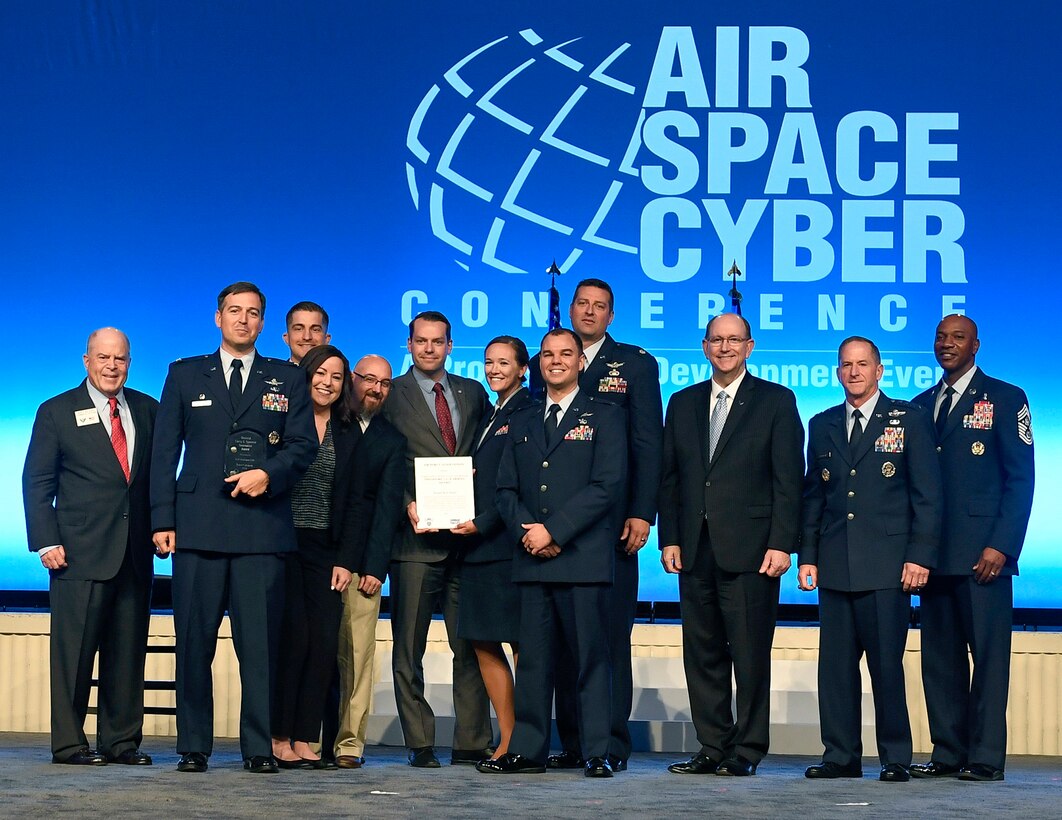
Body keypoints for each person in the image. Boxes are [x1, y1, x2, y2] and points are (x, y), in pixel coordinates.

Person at [151, 281, 317, 774]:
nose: (243, 320)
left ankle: (258, 748)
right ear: (218, 317)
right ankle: (193, 746)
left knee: (260, 647)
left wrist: (269, 474)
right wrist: (162, 519)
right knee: (193, 643)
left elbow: (303, 446)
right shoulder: (184, 374)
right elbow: (164, 452)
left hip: (261, 530)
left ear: (263, 323)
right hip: (198, 527)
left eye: (253, 313)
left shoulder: (286, 377)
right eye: (234, 311)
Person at [658, 313, 804, 777]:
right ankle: (712, 745)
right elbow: (670, 477)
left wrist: (782, 543)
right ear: (704, 347)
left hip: (753, 551)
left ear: (749, 347)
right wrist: (669, 537)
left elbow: (789, 481)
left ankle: (748, 748)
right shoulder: (682, 402)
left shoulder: (776, 400)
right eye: (716, 340)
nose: (725, 347)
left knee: (750, 653)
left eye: (734, 340)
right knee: (702, 654)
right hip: (694, 549)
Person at [478, 328, 627, 778]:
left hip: (582, 558)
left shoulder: (605, 415)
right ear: (539, 363)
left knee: (590, 660)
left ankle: (597, 751)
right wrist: (530, 533)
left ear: (581, 361)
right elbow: (505, 489)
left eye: (565, 353)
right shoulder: (522, 418)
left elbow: (607, 485)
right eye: (547, 354)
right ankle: (528, 750)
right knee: (535, 662)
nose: (555, 361)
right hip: (532, 558)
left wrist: (555, 531)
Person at [529, 278, 662, 772]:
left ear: (611, 314)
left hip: (611, 525)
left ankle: (609, 744)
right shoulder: (546, 361)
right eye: (582, 304)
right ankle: (574, 742)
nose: (589, 311)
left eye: (599, 306)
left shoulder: (635, 364)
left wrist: (641, 512)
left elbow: (648, 442)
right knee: (563, 641)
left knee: (605, 639)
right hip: (552, 528)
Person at [799, 336, 942, 783]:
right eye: (846, 365)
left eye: (863, 364)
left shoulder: (909, 419)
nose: (854, 372)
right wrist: (808, 557)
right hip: (835, 565)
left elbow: (928, 495)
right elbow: (813, 497)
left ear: (879, 371)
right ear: (837, 372)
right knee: (835, 671)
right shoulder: (822, 423)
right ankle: (840, 756)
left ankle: (895, 757)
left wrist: (920, 556)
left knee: (886, 668)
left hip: (887, 567)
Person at [22, 328, 158, 766]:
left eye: (120, 358)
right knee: (74, 656)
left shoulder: (149, 409)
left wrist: (163, 526)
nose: (111, 366)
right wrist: (45, 540)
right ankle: (69, 744)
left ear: (129, 363)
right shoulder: (56, 411)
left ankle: (121, 742)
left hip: (134, 553)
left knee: (127, 654)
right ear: (86, 361)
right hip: (76, 554)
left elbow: (155, 481)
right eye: (103, 357)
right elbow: (37, 481)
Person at [909, 315, 1034, 783]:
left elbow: (1021, 479)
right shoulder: (920, 406)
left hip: (985, 558)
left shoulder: (1006, 398)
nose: (947, 344)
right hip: (933, 558)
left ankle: (984, 757)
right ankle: (947, 752)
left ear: (975, 345)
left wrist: (1001, 545)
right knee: (939, 662)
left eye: (958, 338)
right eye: (941, 337)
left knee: (989, 662)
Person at [382, 310, 493, 767]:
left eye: (438, 341)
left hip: (467, 543)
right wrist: (406, 502)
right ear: (409, 345)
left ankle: (471, 741)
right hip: (414, 544)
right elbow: (380, 462)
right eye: (421, 341)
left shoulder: (473, 391)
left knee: (471, 646)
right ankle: (420, 742)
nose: (429, 348)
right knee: (409, 648)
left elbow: (490, 453)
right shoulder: (390, 394)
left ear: (450, 346)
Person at [271, 344, 363, 769]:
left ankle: (305, 737)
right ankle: (279, 736)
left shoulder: (347, 429)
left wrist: (346, 557)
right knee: (294, 641)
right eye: (320, 373)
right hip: (283, 542)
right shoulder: (284, 420)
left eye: (337, 376)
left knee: (324, 643)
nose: (327, 382)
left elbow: (355, 498)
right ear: (305, 375)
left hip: (326, 548)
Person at [452, 336, 533, 761]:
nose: (494, 369)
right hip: (476, 548)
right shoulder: (490, 411)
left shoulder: (528, 410)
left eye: (504, 362)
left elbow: (518, 482)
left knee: (519, 642)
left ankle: (523, 740)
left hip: (505, 544)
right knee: (483, 640)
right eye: (489, 362)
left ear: (523, 368)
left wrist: (482, 523)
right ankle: (507, 735)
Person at [332, 354, 407, 769]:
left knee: (358, 657)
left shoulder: (392, 439)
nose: (376, 389)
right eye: (368, 380)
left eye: (384, 383)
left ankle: (349, 743)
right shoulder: (328, 423)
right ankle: (309, 736)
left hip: (364, 566)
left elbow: (387, 507)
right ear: (352, 380)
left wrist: (377, 567)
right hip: (318, 556)